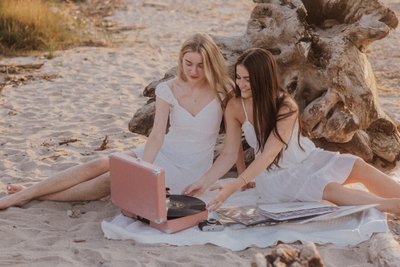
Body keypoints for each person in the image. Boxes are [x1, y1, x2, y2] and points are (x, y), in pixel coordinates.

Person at [0, 33, 235, 209]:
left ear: (211, 63)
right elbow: (156, 136)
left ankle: (33, 194)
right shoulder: (168, 88)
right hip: (160, 153)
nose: (194, 70)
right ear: (181, 61)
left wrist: (214, 179)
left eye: (201, 65)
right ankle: (25, 193)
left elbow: (231, 147)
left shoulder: (224, 90)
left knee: (110, 180)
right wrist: (146, 169)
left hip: (191, 169)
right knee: (101, 163)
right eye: (188, 63)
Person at [184, 48, 400, 214]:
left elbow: (271, 150)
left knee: (358, 165)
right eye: (239, 77)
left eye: (248, 80)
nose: (241, 84)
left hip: (308, 158)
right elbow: (231, 153)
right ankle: (391, 206)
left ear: (263, 79)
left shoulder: (285, 106)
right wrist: (203, 182)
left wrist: (233, 186)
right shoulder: (234, 106)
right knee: (329, 189)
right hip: (278, 174)